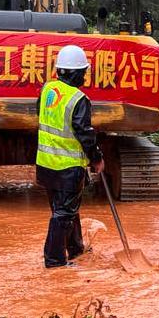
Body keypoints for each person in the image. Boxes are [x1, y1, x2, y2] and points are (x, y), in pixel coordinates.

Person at [36, 44, 103, 268]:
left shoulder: (47, 90)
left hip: (46, 165)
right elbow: (85, 134)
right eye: (83, 72)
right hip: (68, 167)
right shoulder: (78, 99)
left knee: (65, 210)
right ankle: (54, 261)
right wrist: (96, 159)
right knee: (64, 214)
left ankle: (75, 249)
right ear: (74, 73)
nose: (84, 76)